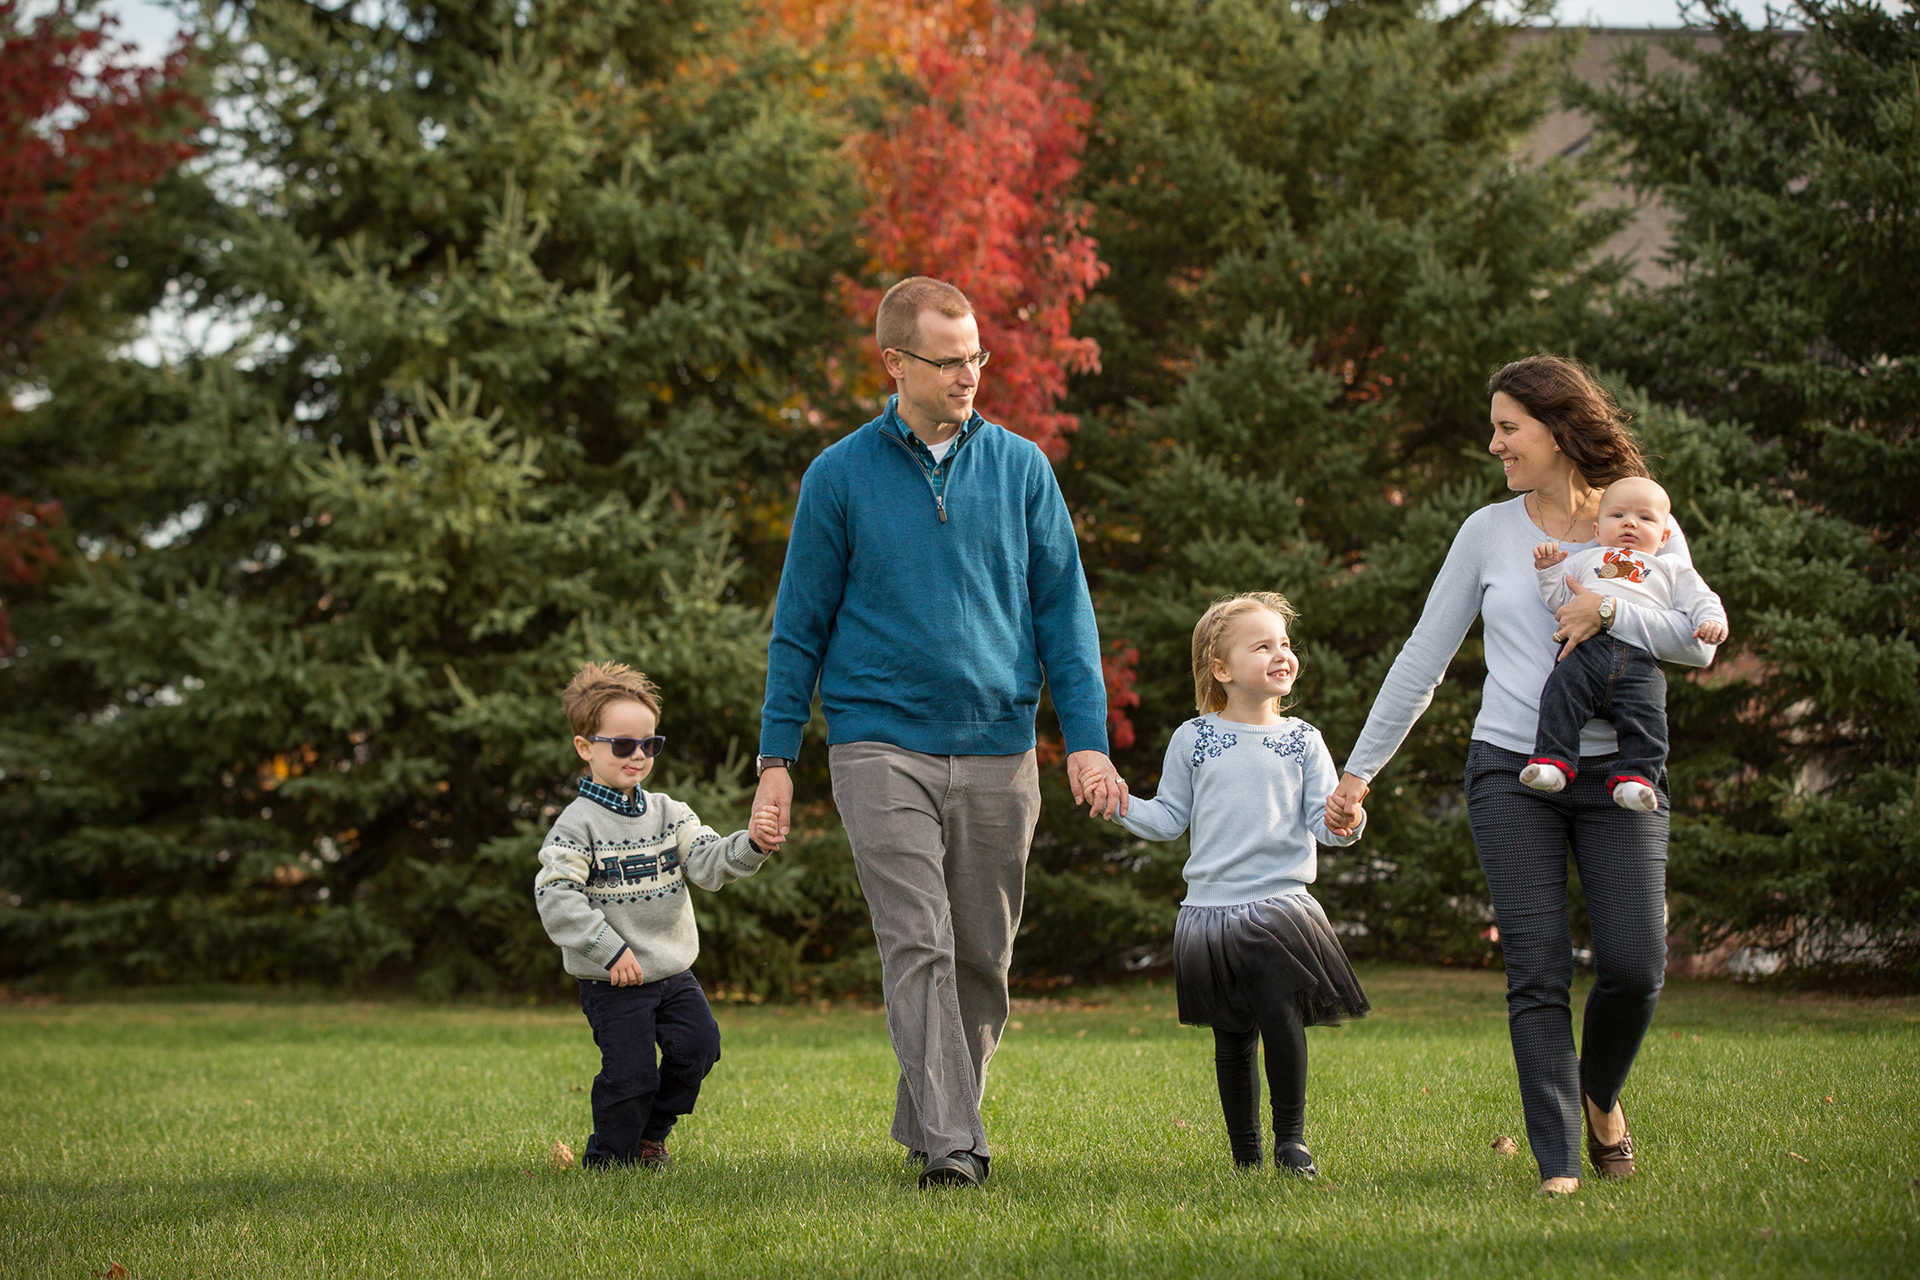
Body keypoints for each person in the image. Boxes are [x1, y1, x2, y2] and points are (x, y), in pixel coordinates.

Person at [750, 276, 1126, 1189]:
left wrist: (1087, 738)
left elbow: (1064, 612)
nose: (969, 375)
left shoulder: (1023, 469)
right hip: (878, 742)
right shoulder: (838, 475)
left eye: (976, 357)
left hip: (1000, 744)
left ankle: (930, 1121)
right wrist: (776, 757)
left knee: (983, 960)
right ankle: (957, 1146)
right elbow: (798, 626)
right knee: (917, 940)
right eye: (949, 360)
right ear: (895, 363)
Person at [1324, 355, 1719, 1195]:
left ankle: (1599, 1095)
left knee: (1635, 966)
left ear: (1559, 429)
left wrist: (1608, 608)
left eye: (1509, 427)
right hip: (1511, 768)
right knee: (1537, 971)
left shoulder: (1639, 515)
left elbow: (1698, 642)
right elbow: (1424, 656)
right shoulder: (1487, 532)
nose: (1495, 443)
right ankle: (1559, 1164)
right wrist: (1359, 773)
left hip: (1621, 776)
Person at [1094, 592, 1368, 1177]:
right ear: (1221, 669)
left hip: (1281, 907)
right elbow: (1169, 819)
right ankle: (1246, 1154)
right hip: (1210, 912)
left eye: (1285, 644)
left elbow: (1326, 824)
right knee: (1232, 1036)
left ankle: (1291, 1142)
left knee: (1281, 1017)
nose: (1282, 654)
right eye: (1263, 646)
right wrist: (1119, 804)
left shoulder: (1303, 740)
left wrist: (1347, 819)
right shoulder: (1193, 738)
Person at [534, 662, 784, 1169]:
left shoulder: (671, 814)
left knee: (699, 1049)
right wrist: (608, 950)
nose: (639, 755)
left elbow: (707, 863)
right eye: (623, 745)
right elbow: (556, 895)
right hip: (614, 980)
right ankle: (609, 1160)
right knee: (630, 1076)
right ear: (585, 747)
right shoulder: (576, 826)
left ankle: (651, 1135)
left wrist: (753, 844)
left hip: (672, 973)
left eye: (649, 744)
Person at [1523, 475, 1729, 811]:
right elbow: (1559, 599)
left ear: (1664, 537)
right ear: (1597, 529)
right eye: (1617, 515)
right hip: (1585, 651)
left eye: (1645, 518)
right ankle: (1552, 761)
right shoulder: (1586, 559)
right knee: (1560, 694)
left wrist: (1712, 621)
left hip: (1639, 659)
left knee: (1647, 716)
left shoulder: (1670, 567)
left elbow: (1701, 598)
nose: (1630, 523)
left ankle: (1636, 778)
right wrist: (1548, 570)